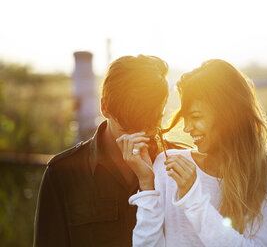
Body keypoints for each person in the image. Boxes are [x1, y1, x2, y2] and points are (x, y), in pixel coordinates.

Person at [122, 59, 267, 246]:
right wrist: (146, 184)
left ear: (228, 114)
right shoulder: (168, 167)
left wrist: (193, 198)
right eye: (185, 118)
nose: (187, 128)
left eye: (196, 117)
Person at [34, 55, 173, 247]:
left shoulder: (183, 165)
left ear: (162, 111)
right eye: (127, 129)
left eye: (149, 126)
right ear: (104, 108)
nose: (137, 139)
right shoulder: (62, 174)